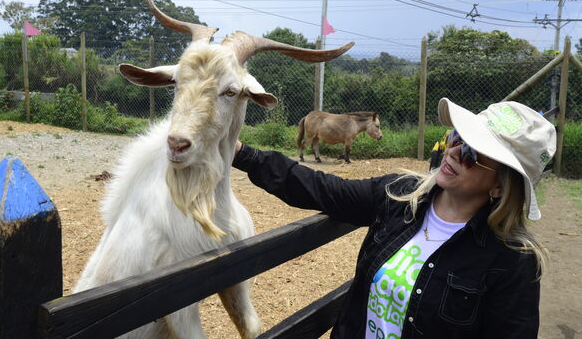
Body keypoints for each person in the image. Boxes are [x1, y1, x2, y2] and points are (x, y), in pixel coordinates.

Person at [232, 97, 556, 339]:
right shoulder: (399, 195)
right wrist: (242, 153)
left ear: (500, 186)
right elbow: (322, 188)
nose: (453, 151)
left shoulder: (512, 261)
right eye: (456, 137)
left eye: (472, 153)